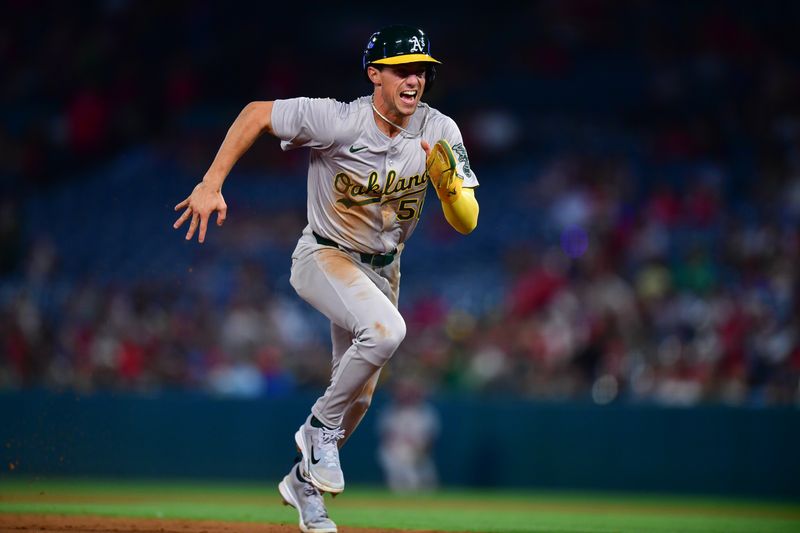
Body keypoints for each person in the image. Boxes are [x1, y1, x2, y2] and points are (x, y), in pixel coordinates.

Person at [173, 24, 479, 533]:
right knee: (387, 333)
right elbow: (256, 113)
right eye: (402, 70)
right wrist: (211, 182)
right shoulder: (339, 119)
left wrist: (449, 190)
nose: (414, 80)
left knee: (357, 395)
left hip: (385, 270)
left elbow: (466, 222)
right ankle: (317, 430)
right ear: (375, 74)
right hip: (325, 256)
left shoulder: (440, 130)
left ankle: (303, 488)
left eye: (421, 71)